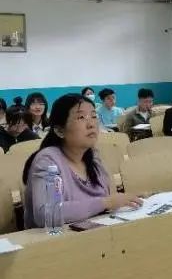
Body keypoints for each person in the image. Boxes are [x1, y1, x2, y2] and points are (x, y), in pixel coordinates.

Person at [22, 93, 142, 229]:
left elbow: (107, 200)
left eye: (94, 116)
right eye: (81, 117)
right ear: (60, 131)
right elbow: (47, 213)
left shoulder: (93, 157)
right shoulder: (48, 161)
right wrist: (105, 203)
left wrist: (127, 200)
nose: (91, 124)